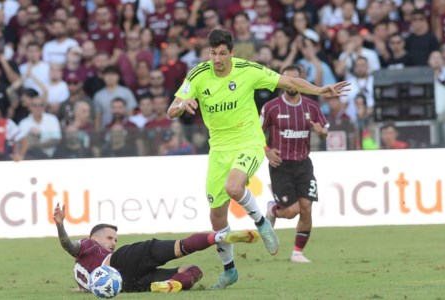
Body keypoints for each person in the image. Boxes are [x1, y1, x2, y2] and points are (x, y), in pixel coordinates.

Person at [167, 29, 349, 289]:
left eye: (222, 54)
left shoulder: (248, 70)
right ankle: (229, 270)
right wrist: (180, 107)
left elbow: (290, 82)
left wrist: (320, 90)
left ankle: (262, 224)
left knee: (234, 187)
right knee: (217, 218)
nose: (217, 59)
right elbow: (171, 109)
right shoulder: (197, 74)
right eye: (212, 53)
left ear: (232, 53)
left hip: (248, 142)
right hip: (218, 149)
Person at [53, 203, 260, 293]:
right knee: (180, 247)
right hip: (121, 264)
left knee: (193, 270)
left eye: (115, 239)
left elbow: (83, 287)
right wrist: (61, 225)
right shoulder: (87, 245)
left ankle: (168, 285)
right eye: (109, 238)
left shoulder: (82, 274)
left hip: (125, 286)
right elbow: (68, 245)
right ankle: (220, 236)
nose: (113, 242)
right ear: (93, 238)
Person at [261, 65, 329, 263]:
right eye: (287, 79)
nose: (291, 84)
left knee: (306, 207)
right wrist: (266, 151)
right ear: (281, 81)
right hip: (280, 165)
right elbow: (256, 133)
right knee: (291, 212)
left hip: (303, 164)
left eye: (296, 80)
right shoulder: (271, 107)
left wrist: (322, 133)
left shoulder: (311, 106)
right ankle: (273, 208)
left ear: (302, 81)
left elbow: (324, 131)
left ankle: (297, 253)